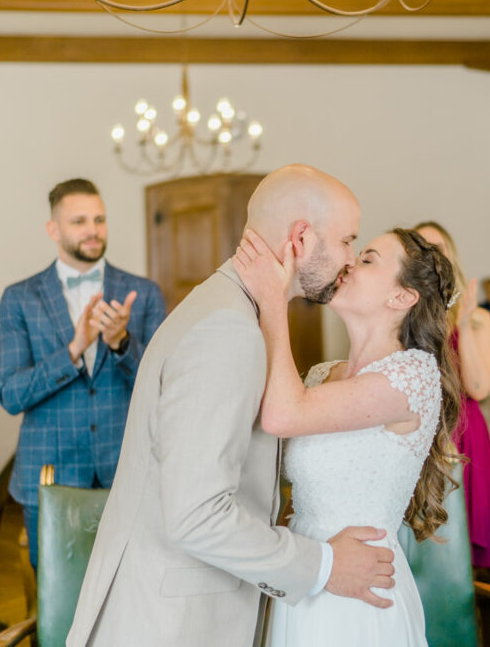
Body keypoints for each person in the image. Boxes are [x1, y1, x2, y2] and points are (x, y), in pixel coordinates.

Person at [68, 165, 392, 647]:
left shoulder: (227, 308)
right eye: (347, 240)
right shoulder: (228, 329)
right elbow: (197, 515)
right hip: (171, 625)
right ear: (301, 238)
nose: (350, 258)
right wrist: (324, 566)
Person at [234, 227, 460, 646]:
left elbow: (282, 415)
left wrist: (273, 300)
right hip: (307, 571)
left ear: (402, 297)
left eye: (369, 259)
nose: (350, 262)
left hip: (361, 588)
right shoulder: (323, 375)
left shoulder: (413, 375)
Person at [0, 177, 166, 570]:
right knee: (56, 594)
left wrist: (122, 343)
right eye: (79, 221)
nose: (93, 230)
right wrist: (73, 350)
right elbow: (11, 394)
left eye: (99, 219)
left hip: (128, 472)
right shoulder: (19, 298)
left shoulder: (143, 293)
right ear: (53, 229)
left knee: (132, 589)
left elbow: (165, 387)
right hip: (49, 476)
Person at [414, 221, 490, 569]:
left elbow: (479, 388)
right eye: (419, 247)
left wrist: (463, 325)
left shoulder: (478, 317)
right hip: (419, 430)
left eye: (437, 247)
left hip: (464, 429)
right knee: (424, 543)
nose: (429, 255)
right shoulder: (402, 313)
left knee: (464, 541)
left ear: (450, 256)